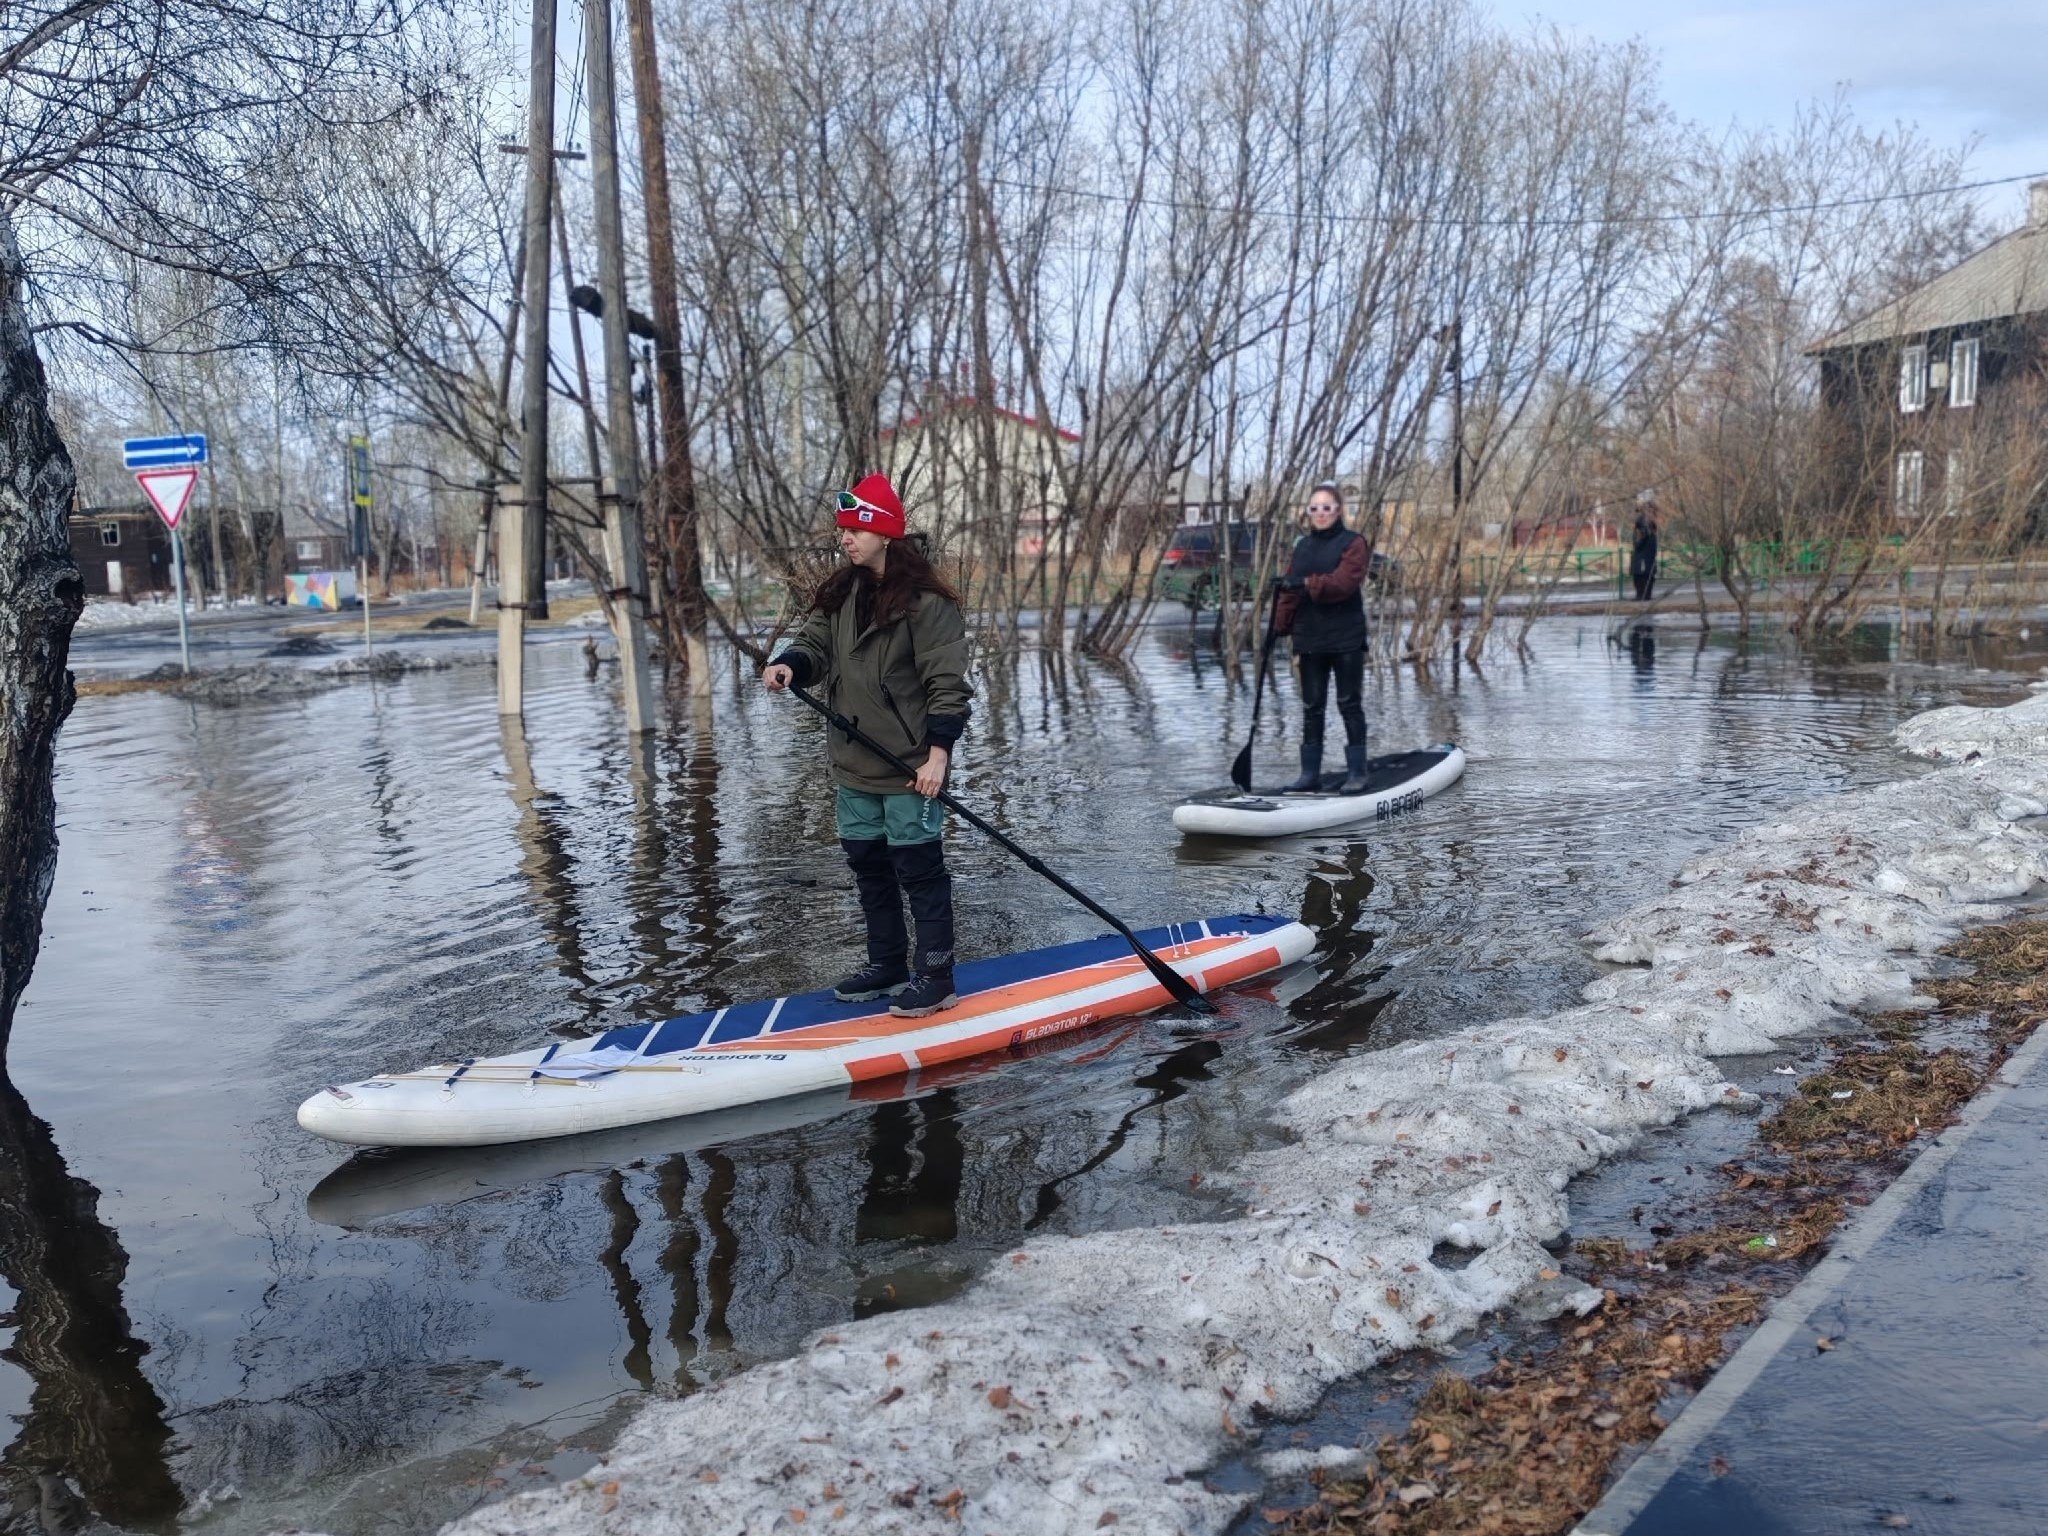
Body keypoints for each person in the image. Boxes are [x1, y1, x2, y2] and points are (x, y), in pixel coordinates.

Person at [762, 474, 973, 1017]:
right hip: (853, 763)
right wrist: (790, 664)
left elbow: (946, 685)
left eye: (855, 529)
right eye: (843, 530)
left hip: (909, 767)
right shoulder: (841, 593)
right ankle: (888, 965)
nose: (845, 538)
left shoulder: (928, 604)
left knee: (919, 871)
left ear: (884, 533)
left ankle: (937, 976)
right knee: (869, 868)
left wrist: (938, 757)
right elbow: (813, 644)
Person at [1274, 480, 1370, 794]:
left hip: (1345, 637)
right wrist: (1279, 626)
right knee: (1312, 706)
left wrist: (1305, 584)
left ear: (1338, 510)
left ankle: (1357, 772)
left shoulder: (1353, 543)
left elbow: (1344, 583)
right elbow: (1289, 591)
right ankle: (1309, 775)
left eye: (1326, 507)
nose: (1320, 513)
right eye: (1314, 508)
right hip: (1310, 638)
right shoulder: (1302, 546)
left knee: (1348, 704)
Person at [1631, 492, 1659, 602]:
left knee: (1641, 574)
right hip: (1648, 552)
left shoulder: (1645, 519)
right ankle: (1645, 595)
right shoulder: (1649, 518)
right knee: (1646, 573)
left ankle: (1642, 595)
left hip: (1644, 553)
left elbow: (1644, 534)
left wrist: (1637, 544)